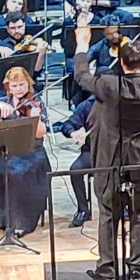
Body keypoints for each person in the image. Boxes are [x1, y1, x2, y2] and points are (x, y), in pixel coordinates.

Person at [74, 25, 140, 280]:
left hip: (112, 156)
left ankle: (106, 268)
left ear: (120, 62)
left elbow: (82, 75)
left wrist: (82, 45)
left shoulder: (108, 84)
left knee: (109, 210)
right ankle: (136, 267)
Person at [0, 67, 52, 234]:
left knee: (17, 175)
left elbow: (41, 133)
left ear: (28, 84)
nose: (18, 89)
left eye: (22, 85)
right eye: (14, 86)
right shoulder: (5, 101)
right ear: (8, 86)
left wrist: (35, 118)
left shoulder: (36, 103)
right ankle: (0, 219)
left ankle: (20, 223)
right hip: (9, 153)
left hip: (32, 154)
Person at [55, 96, 98, 228]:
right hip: (91, 151)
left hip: (115, 151)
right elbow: (67, 125)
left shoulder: (118, 101)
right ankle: (83, 209)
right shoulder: (87, 105)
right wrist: (73, 133)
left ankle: (123, 207)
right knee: (75, 170)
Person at [0, 11, 48, 75]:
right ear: (7, 29)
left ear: (24, 25)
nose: (17, 31)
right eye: (13, 28)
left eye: (20, 27)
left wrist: (40, 54)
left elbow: (36, 71)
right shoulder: (2, 43)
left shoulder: (32, 46)